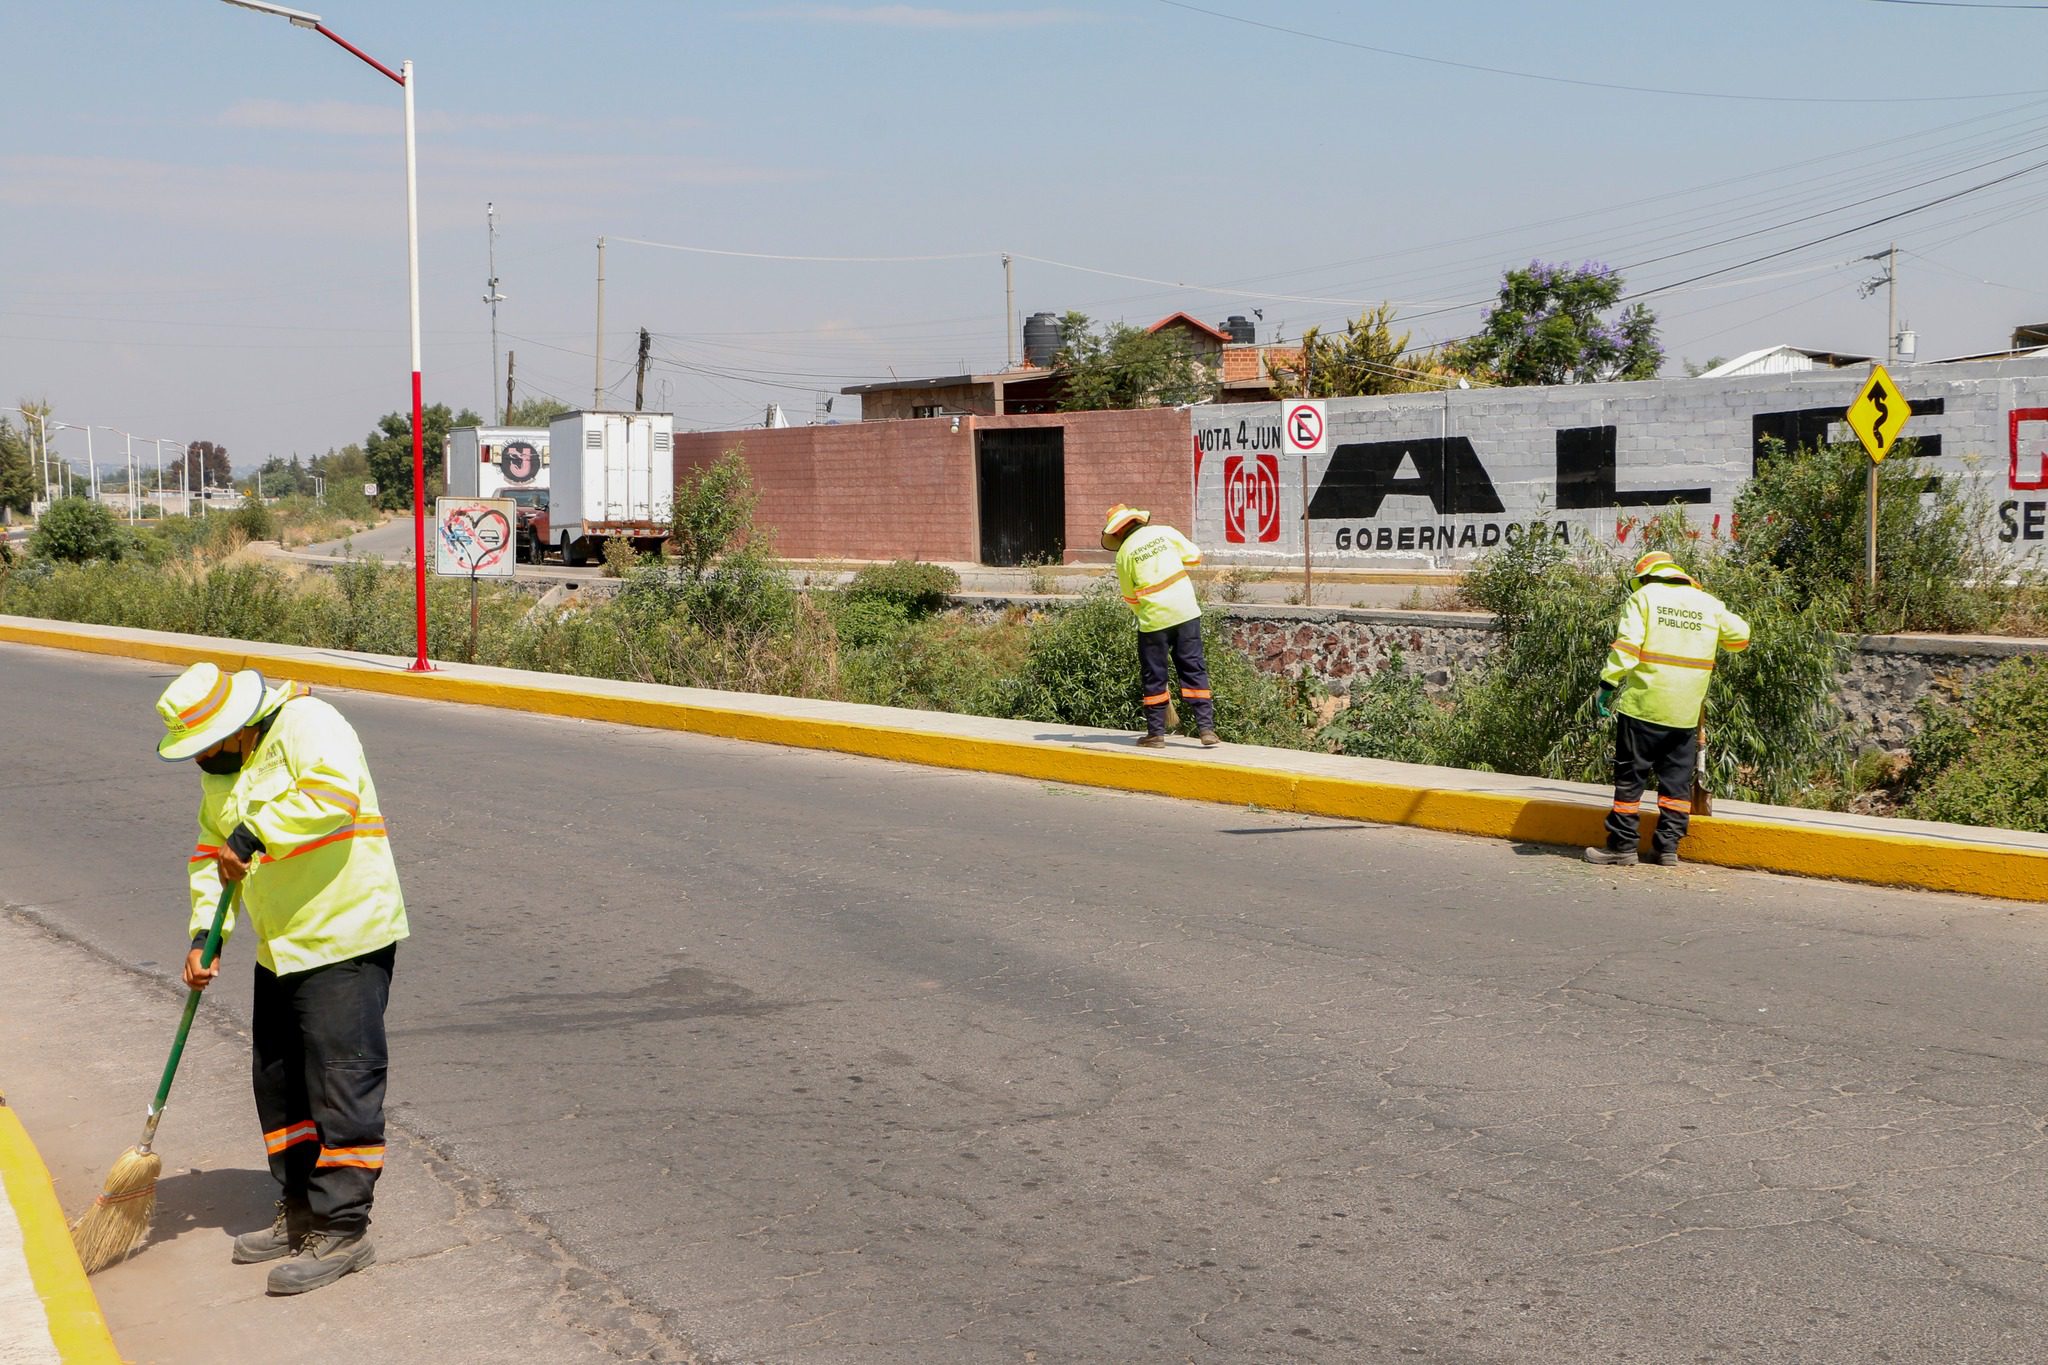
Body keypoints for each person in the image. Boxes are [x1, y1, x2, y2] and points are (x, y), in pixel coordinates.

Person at [155, 662, 408, 1294]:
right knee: (278, 1081)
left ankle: (343, 1227)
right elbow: (210, 857)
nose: (199, 760)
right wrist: (201, 936)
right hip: (281, 947)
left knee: (340, 1084)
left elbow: (332, 796)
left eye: (204, 745)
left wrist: (256, 831)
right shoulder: (224, 771)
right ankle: (297, 1206)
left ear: (235, 727)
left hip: (344, 934)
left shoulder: (309, 723)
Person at [1585, 551, 1750, 868]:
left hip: (1644, 707)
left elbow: (1628, 648)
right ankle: (1666, 849)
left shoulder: (1644, 598)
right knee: (1675, 784)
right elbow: (1741, 636)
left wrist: (1607, 685)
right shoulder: (1708, 604)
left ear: (1646, 577)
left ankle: (1622, 847)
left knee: (1630, 781)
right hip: (1685, 711)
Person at [1102, 503, 1218, 749]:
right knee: (1194, 668)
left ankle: (1156, 734)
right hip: (1186, 612)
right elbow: (1195, 557)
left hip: (1154, 620)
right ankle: (1206, 730)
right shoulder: (1164, 532)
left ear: (1117, 532)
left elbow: (1130, 596)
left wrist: (1145, 612)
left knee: (1154, 675)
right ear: (1137, 521)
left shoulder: (1123, 554)